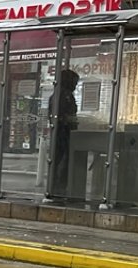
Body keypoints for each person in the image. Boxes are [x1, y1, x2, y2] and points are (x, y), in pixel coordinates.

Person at [50, 69, 80, 197]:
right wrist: (69, 120)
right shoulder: (63, 96)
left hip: (63, 132)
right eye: (74, 82)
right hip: (62, 133)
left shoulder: (60, 95)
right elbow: (59, 116)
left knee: (61, 160)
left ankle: (58, 187)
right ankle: (58, 187)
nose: (75, 86)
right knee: (62, 160)